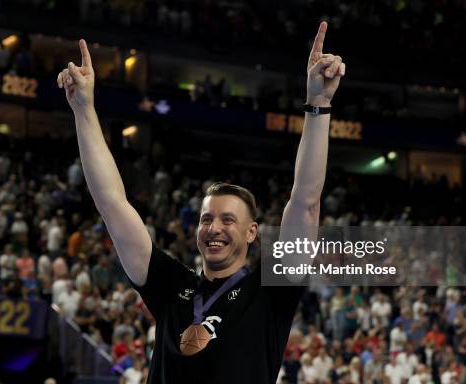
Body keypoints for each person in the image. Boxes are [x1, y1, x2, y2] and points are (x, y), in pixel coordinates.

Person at [57, 21, 344, 383]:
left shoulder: (272, 292)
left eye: (228, 220)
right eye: (207, 219)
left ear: (253, 231)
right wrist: (84, 110)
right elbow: (112, 204)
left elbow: (305, 201)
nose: (214, 228)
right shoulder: (169, 286)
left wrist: (318, 104)